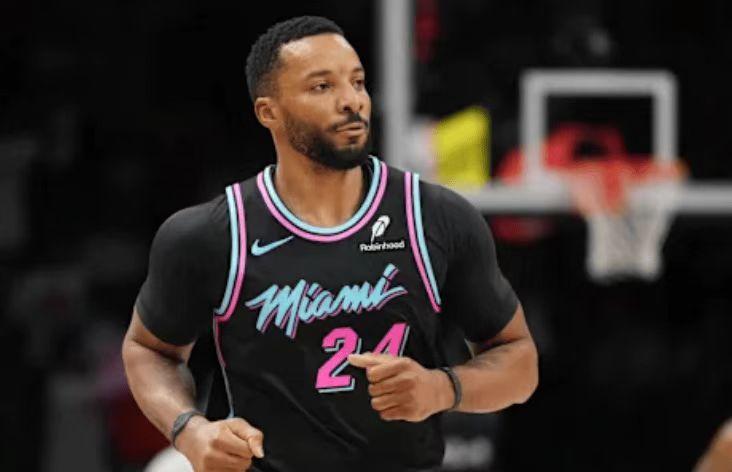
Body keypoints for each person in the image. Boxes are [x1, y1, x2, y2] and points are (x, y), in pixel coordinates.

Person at [122, 15, 538, 472]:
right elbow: (148, 350)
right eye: (322, 87)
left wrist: (443, 388)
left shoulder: (436, 217)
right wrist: (189, 429)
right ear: (268, 112)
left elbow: (520, 363)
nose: (351, 101)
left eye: (357, 82)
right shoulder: (213, 233)